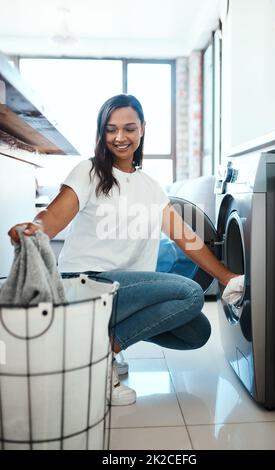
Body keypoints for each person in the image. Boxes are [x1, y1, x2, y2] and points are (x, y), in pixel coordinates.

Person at [8, 94, 241, 407]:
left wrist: (229, 278)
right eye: (111, 129)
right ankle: (100, 357)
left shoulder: (151, 187)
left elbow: (187, 238)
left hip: (123, 288)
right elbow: (52, 217)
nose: (120, 137)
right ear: (101, 133)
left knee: (197, 332)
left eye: (129, 128)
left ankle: (95, 344)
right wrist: (33, 229)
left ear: (142, 129)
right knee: (190, 294)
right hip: (84, 283)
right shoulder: (88, 172)